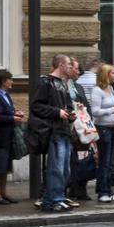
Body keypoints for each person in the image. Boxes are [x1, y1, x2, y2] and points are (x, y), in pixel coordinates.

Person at [31, 54, 75, 213]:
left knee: (64, 168)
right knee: (56, 167)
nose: (71, 67)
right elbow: (36, 106)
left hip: (64, 130)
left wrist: (71, 114)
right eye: (69, 64)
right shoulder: (45, 83)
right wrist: (57, 112)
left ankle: (53, 199)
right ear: (61, 65)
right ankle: (55, 199)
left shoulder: (63, 84)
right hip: (54, 131)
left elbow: (68, 106)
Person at [0, 70, 23, 205]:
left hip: (8, 135)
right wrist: (13, 117)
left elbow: (7, 111)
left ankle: (3, 192)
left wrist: (15, 113)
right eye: (10, 79)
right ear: (3, 81)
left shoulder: (6, 94)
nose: (12, 82)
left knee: (6, 166)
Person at [91, 64, 114, 202]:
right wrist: (113, 110)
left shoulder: (110, 88)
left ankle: (107, 190)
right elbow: (95, 111)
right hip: (103, 129)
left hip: (112, 127)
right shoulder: (97, 91)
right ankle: (103, 192)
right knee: (104, 161)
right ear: (106, 75)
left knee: (110, 162)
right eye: (113, 72)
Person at [66, 57, 92, 204]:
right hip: (71, 128)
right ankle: (71, 188)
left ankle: (81, 188)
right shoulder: (64, 86)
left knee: (83, 158)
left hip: (82, 127)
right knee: (71, 159)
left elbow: (86, 104)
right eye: (76, 68)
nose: (78, 71)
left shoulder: (78, 86)